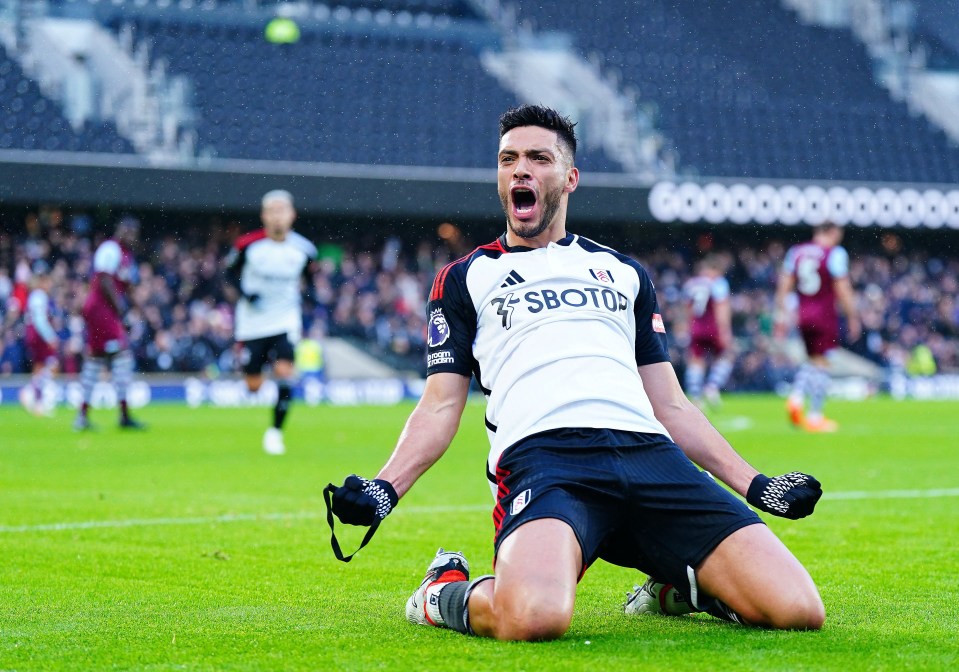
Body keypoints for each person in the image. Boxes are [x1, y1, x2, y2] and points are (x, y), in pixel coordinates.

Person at [329, 105, 825, 641]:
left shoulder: (625, 272)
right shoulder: (465, 277)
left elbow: (672, 404)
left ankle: (672, 588)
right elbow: (441, 405)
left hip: (649, 456)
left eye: (538, 159)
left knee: (797, 610)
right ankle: (441, 591)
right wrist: (385, 488)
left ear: (569, 179)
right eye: (508, 159)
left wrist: (757, 485)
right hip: (548, 461)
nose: (520, 170)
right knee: (533, 618)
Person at [224, 189, 317, 455]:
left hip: (286, 319)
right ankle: (258, 377)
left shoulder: (304, 249)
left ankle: (275, 432)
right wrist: (244, 294)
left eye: (282, 211)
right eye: (272, 211)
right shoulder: (247, 245)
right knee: (253, 384)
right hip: (252, 323)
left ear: (292, 215)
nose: (277, 217)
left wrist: (310, 304)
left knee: (285, 372)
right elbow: (228, 274)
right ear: (264, 215)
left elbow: (309, 284)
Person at [774, 222, 861, 433]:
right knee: (824, 362)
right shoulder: (834, 253)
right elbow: (842, 286)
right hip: (824, 313)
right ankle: (814, 415)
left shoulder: (796, 252)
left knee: (813, 360)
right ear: (832, 232)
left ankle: (796, 397)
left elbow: (784, 285)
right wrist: (853, 316)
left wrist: (781, 314)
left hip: (802, 313)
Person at [73, 216, 146, 431]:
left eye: (134, 233)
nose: (131, 237)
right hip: (100, 311)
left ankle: (83, 415)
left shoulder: (126, 256)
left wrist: (137, 309)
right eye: (128, 232)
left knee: (96, 360)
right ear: (121, 230)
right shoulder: (110, 249)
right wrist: (120, 310)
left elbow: (127, 285)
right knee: (122, 357)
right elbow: (103, 280)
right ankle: (123, 415)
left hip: (104, 312)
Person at [682, 254, 735, 410]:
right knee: (727, 356)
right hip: (713, 328)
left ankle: (695, 397)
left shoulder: (691, 284)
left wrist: (687, 327)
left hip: (695, 328)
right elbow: (721, 307)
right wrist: (725, 330)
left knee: (696, 361)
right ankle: (712, 386)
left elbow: (688, 309)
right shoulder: (718, 283)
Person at [20, 263, 59, 415]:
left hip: (33, 335)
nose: (50, 285)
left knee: (39, 367)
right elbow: (39, 320)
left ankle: (38, 401)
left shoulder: (34, 296)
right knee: (52, 365)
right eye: (48, 281)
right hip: (38, 336)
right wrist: (50, 337)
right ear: (42, 281)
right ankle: (31, 393)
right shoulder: (39, 296)